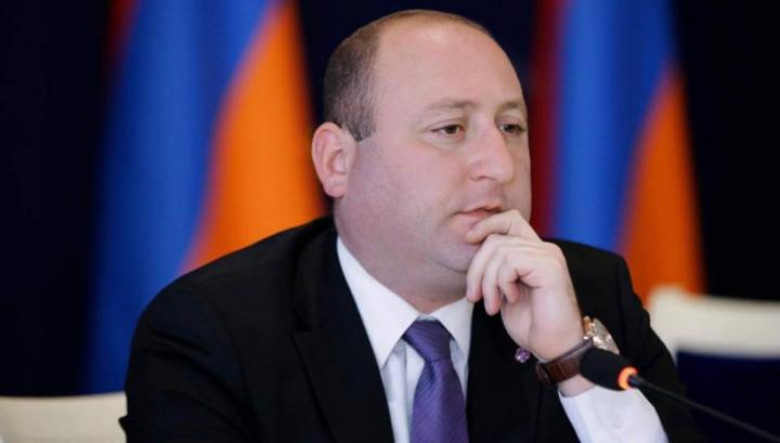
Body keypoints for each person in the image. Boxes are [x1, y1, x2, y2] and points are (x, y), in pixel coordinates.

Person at [121, 10, 703, 442]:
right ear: (337, 161)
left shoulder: (587, 293)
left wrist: (572, 363)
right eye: (450, 129)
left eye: (511, 128)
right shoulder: (213, 332)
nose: (500, 167)